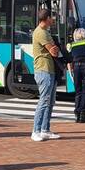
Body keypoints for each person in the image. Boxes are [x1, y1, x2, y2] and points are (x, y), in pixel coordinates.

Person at [30, 9, 61, 141]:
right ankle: (35, 131)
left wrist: (55, 48)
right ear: (47, 18)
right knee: (44, 100)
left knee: (50, 102)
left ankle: (45, 129)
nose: (53, 20)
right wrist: (54, 48)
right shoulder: (40, 33)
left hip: (50, 69)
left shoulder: (46, 32)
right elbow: (54, 51)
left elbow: (55, 49)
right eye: (51, 17)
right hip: (43, 70)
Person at [67, 27, 85, 123]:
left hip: (76, 67)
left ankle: (77, 114)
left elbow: (69, 60)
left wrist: (70, 72)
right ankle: (83, 114)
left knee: (78, 91)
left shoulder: (71, 45)